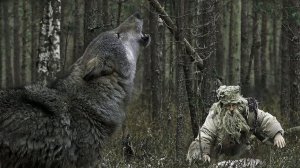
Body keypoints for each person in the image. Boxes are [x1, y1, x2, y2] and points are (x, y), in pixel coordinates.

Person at [186, 85, 286, 164]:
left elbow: (265, 118)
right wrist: (203, 154)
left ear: (238, 103)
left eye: (234, 105)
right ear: (222, 105)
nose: (231, 108)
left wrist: (277, 134)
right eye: (228, 105)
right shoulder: (215, 115)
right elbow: (205, 134)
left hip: (244, 154)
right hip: (220, 156)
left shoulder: (248, 110)